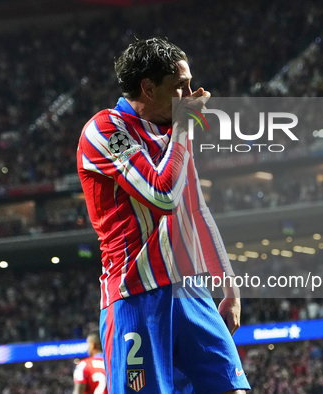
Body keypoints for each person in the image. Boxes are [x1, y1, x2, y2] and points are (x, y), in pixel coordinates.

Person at [77, 37, 249, 394]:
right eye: (179, 86)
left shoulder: (173, 134)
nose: (191, 94)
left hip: (191, 291)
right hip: (136, 295)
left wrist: (229, 286)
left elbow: (196, 209)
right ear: (148, 87)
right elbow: (162, 194)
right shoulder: (106, 131)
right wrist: (185, 128)